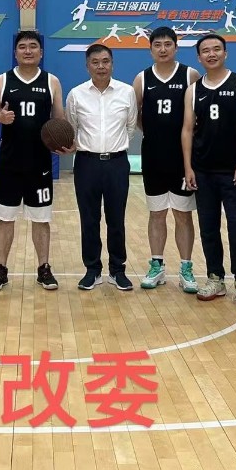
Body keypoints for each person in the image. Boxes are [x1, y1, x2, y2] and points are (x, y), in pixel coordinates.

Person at [0, 31, 67, 292]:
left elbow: (60, 120)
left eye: (33, 46)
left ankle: (44, 268)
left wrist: (65, 140)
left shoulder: (52, 81)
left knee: (41, 219)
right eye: (22, 47)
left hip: (40, 164)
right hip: (10, 163)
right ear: (15, 52)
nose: (28, 51)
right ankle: (1, 269)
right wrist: (0, 118)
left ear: (41, 52)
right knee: (5, 218)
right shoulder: (2, 80)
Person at [182, 34, 236, 307]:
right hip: (203, 171)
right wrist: (188, 167)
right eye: (206, 50)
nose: (211, 54)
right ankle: (215, 277)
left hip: (234, 171)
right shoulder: (193, 90)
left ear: (225, 53)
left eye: (216, 49)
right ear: (199, 57)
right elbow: (187, 129)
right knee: (208, 227)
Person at [131, 26, 200, 293]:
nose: (162, 49)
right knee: (157, 213)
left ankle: (186, 267)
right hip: (153, 156)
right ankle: (157, 265)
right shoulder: (142, 78)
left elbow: (198, 113)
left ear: (175, 47)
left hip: (182, 158)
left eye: (167, 44)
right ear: (150, 49)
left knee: (183, 215)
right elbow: (136, 114)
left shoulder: (190, 75)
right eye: (157, 45)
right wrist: (151, 131)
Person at [66, 44, 137, 291]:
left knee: (116, 219)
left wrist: (114, 147)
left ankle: (118, 270)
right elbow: (72, 128)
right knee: (89, 219)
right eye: (95, 62)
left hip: (117, 163)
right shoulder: (76, 94)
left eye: (105, 61)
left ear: (112, 64)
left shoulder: (127, 92)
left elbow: (130, 127)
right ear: (87, 66)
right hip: (86, 164)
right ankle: (92, 270)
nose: (101, 66)